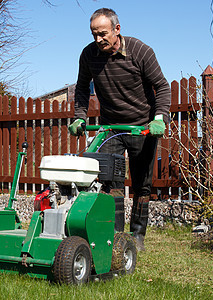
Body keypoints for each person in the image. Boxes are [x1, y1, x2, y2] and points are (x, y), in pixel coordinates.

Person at [68, 8, 171, 251]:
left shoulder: (140, 51)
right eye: (94, 34)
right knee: (110, 182)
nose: (98, 39)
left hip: (141, 128)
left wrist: (159, 118)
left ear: (117, 29)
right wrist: (79, 117)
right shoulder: (89, 55)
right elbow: (82, 89)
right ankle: (114, 236)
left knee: (141, 184)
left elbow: (162, 86)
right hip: (111, 127)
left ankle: (137, 236)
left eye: (102, 33)